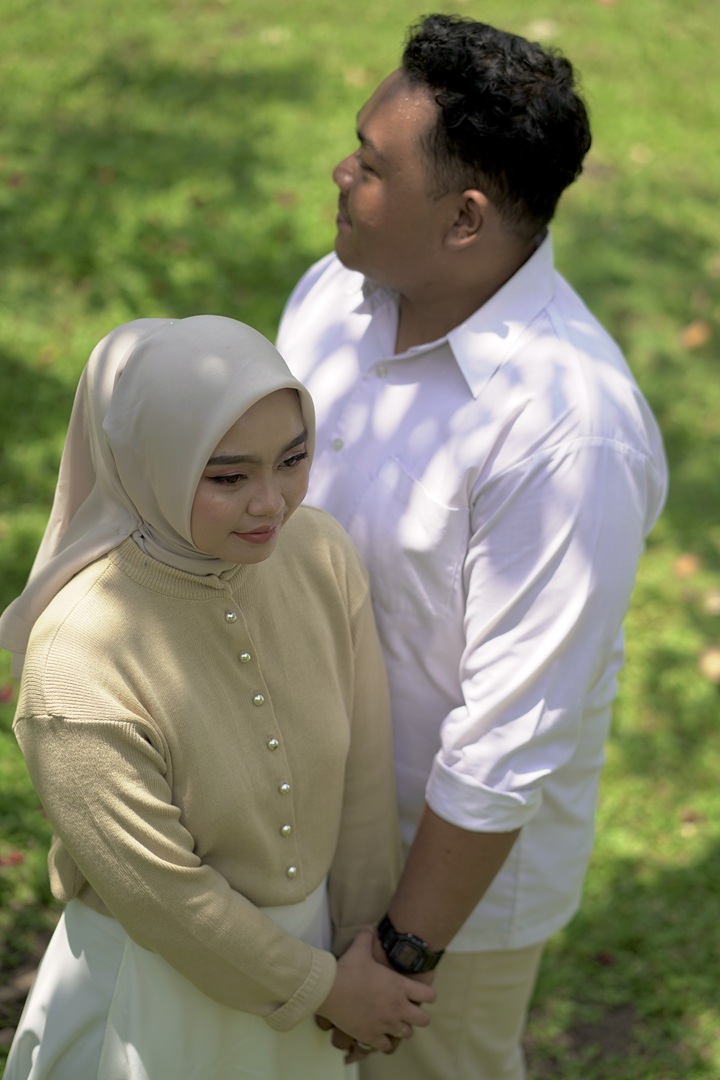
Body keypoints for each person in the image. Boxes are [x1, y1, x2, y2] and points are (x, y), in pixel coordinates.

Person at [276, 14, 668, 1079]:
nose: (341, 172)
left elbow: (505, 744)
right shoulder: (333, 294)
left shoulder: (568, 434)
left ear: (464, 219)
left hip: (443, 896)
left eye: (372, 165)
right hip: (289, 828)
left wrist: (403, 952)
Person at [0, 315, 435, 1080]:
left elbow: (364, 779)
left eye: (293, 460)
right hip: (155, 990)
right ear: (149, 464)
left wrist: (363, 948)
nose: (272, 503)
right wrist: (328, 990)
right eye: (229, 478)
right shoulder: (76, 661)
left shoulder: (321, 555)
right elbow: (164, 899)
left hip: (321, 970)